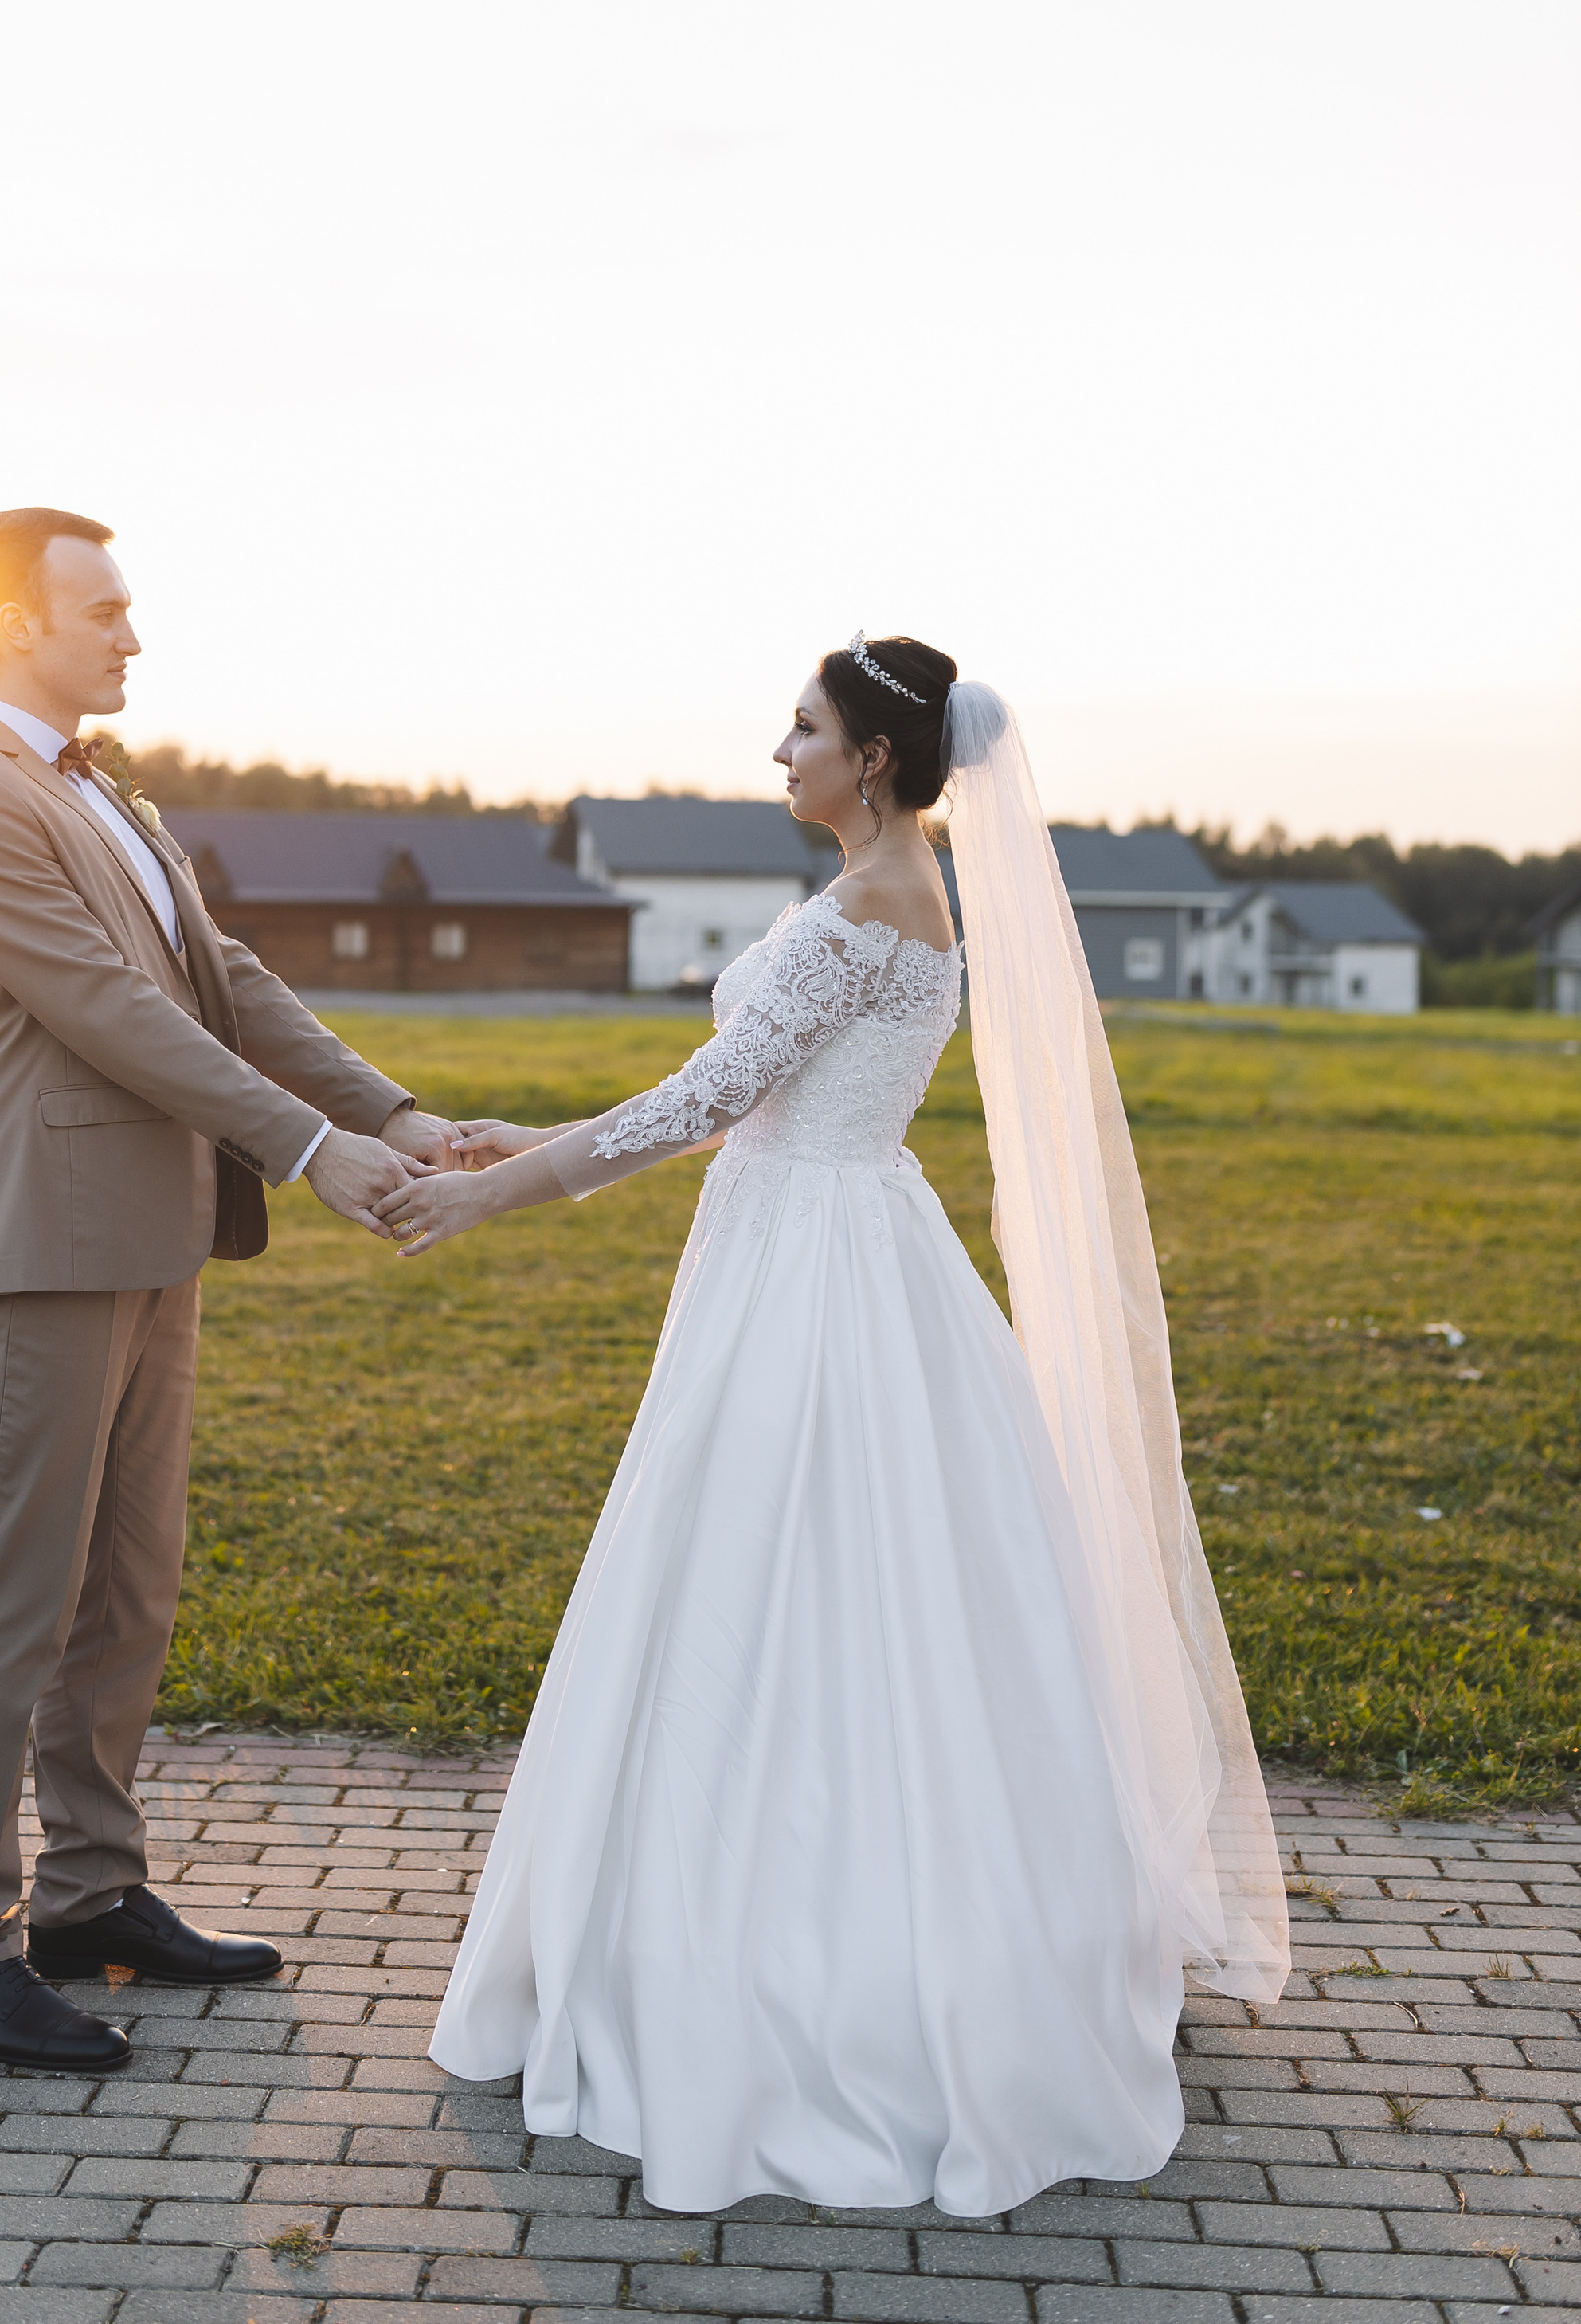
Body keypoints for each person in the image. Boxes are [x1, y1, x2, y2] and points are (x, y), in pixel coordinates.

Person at [381, 635, 1289, 2216]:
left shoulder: (862, 907)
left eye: (799, 728)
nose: (775, 752)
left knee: (760, 1577)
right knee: (888, 1585)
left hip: (804, 1265)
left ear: (871, 757)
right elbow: (746, 1088)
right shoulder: (914, 900)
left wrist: (486, 1199)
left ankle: (777, 1965)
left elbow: (697, 1108)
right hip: (850, 1233)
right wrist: (529, 1139)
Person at [0, 506, 457, 2073]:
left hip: (153, 1241)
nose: (130, 635)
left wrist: (392, 1111)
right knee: (8, 1604)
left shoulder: (110, 791)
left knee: (127, 1591)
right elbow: (102, 1012)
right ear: (17, 624)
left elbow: (225, 982)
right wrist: (306, 1150)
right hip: (40, 1245)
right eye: (104, 611)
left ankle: (87, 1897)